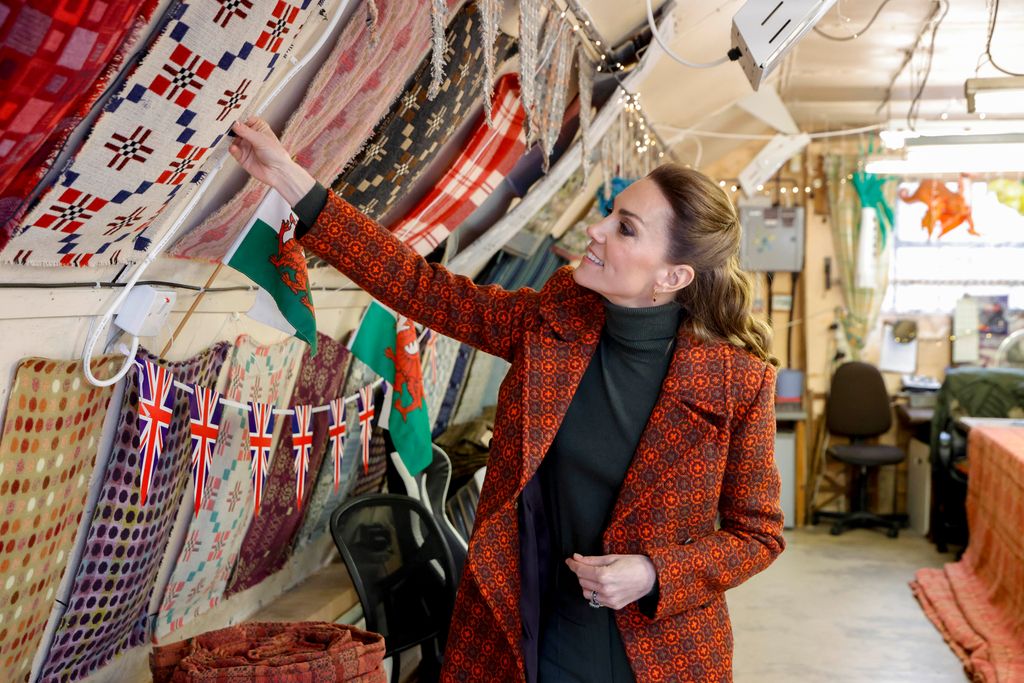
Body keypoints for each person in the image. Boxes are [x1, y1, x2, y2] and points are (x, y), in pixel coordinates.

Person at [229, 116, 785, 683]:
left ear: (672, 277)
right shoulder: (555, 318)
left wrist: (652, 572)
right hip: (524, 624)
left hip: (660, 650)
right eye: (611, 214)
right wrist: (294, 183)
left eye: (625, 229)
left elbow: (757, 535)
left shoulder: (737, 384)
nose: (596, 230)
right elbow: (426, 290)